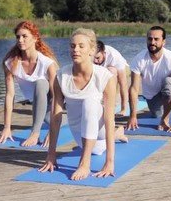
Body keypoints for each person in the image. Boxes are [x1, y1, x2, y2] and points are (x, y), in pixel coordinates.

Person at [39, 28, 128, 180]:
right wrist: (51, 155)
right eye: (73, 46)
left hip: (99, 129)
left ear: (92, 50)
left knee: (90, 102)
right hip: (79, 133)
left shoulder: (105, 77)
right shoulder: (61, 76)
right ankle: (118, 133)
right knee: (97, 149)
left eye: (81, 46)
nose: (76, 50)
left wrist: (109, 162)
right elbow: (56, 117)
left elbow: (108, 119)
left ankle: (84, 163)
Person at [0, 21, 59, 147]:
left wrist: (52, 131)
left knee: (40, 82)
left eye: (25, 36)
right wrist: (7, 127)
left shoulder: (47, 63)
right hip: (39, 104)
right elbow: (10, 95)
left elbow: (57, 97)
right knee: (50, 120)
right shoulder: (11, 63)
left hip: (58, 101)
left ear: (35, 38)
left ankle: (35, 133)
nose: (20, 40)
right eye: (18, 37)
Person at [126, 26, 171, 133]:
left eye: (156, 39)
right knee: (156, 114)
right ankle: (160, 113)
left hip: (167, 92)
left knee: (169, 83)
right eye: (150, 39)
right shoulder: (139, 59)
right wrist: (132, 115)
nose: (152, 42)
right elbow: (134, 88)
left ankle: (165, 118)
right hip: (152, 98)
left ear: (164, 42)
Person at [94, 40, 129, 116]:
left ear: (104, 53)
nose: (95, 61)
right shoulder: (90, 56)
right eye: (93, 58)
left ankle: (111, 103)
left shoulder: (115, 57)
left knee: (111, 71)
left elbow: (123, 84)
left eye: (97, 58)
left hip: (121, 70)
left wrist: (123, 109)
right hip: (104, 71)